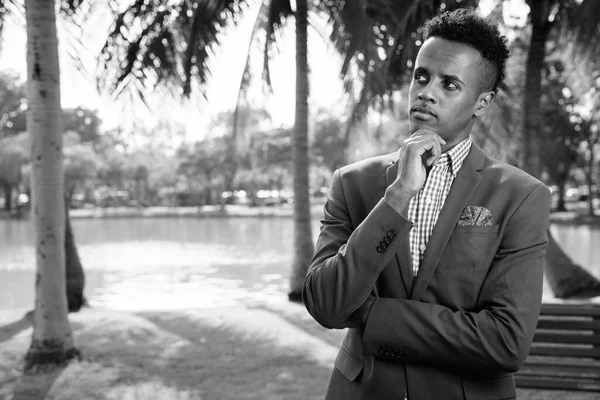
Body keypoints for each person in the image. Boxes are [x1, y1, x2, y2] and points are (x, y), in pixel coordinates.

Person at [302, 8, 551, 400]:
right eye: (422, 75)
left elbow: (506, 341)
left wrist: (374, 317)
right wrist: (398, 196)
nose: (426, 91)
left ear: (481, 102)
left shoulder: (521, 196)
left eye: (450, 84)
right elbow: (326, 303)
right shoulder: (353, 183)